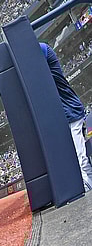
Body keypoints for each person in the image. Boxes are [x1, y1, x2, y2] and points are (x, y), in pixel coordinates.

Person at [40, 42, 92, 191]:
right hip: (61, 115)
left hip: (71, 110)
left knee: (80, 155)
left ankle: (88, 181)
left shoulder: (42, 48)